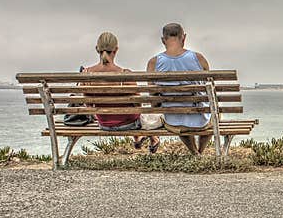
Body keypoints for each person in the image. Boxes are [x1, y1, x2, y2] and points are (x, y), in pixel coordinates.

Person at [82, 32, 160, 153]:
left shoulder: (86, 74)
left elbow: (88, 105)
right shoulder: (125, 75)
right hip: (129, 124)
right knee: (145, 116)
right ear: (116, 49)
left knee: (133, 114)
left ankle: (139, 137)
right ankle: (152, 138)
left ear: (97, 49)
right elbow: (137, 105)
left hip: (104, 124)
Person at [148, 23, 213, 155]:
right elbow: (210, 93)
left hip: (173, 121)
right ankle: (199, 151)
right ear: (183, 38)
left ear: (163, 40)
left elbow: (153, 100)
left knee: (178, 115)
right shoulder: (199, 59)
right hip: (200, 121)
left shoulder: (154, 63)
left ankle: (195, 153)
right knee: (215, 113)